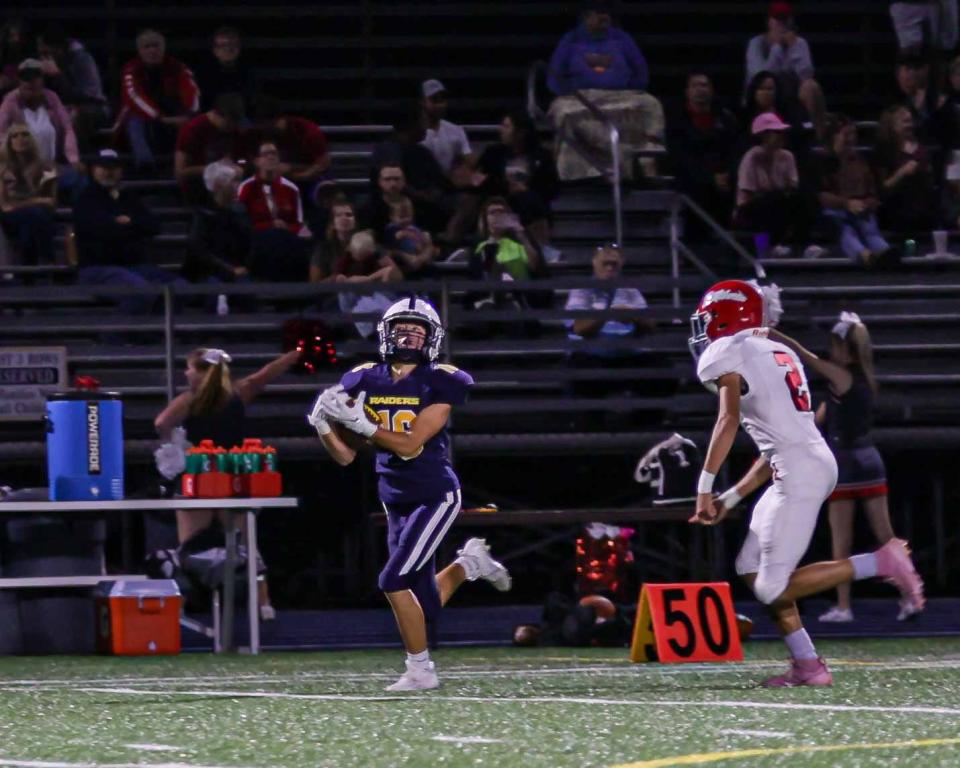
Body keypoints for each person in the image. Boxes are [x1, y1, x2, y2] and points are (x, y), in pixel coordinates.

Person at [687, 279, 925, 686]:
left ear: (726, 317)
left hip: (800, 470)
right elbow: (774, 444)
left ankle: (881, 561)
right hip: (800, 463)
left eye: (708, 319)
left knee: (770, 588)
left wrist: (704, 488)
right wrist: (731, 497)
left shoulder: (727, 352)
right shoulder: (778, 352)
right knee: (750, 567)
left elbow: (727, 420)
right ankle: (807, 664)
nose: (703, 329)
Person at [308, 297, 512, 690]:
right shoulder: (365, 377)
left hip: (435, 494)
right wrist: (323, 426)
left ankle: (420, 671)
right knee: (425, 603)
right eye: (402, 329)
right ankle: (470, 563)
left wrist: (365, 427)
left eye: (417, 331)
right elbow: (346, 458)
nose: (409, 337)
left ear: (431, 339)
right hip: (394, 496)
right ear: (386, 333)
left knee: (392, 581)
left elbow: (411, 444)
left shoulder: (443, 379)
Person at [769, 313, 914, 623]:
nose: (830, 351)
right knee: (886, 537)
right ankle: (910, 595)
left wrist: (775, 335)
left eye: (835, 346)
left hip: (845, 464)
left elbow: (805, 357)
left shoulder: (840, 374)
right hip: (869, 460)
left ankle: (845, 607)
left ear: (847, 351)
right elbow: (819, 418)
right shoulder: (857, 379)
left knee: (842, 540)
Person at [155, 346, 303, 620]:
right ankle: (264, 603)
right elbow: (264, 375)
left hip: (198, 476)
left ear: (200, 372)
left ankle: (185, 601)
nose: (186, 373)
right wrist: (293, 355)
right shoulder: (238, 393)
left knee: (190, 547)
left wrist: (174, 444)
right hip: (233, 475)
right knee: (245, 544)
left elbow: (161, 422)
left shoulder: (190, 400)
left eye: (189, 368)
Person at [546, 0, 664, 180]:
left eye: (607, 13)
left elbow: (640, 71)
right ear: (586, 17)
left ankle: (645, 164)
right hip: (582, 97)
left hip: (619, 95)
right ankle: (577, 174)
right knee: (564, 113)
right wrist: (569, 93)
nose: (604, 17)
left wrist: (629, 90)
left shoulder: (622, 38)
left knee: (651, 105)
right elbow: (554, 76)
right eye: (598, 13)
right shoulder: (570, 40)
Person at [73, 148, 182, 314]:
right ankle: (112, 337)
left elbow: (153, 226)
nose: (109, 172)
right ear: (94, 170)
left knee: (181, 289)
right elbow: (99, 229)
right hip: (97, 269)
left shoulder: (128, 197)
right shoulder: (85, 199)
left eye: (114, 168)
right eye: (104, 168)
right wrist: (126, 226)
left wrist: (129, 222)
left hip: (133, 266)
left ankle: (153, 336)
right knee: (140, 292)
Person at [811, 115, 890, 266]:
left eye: (854, 134)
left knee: (869, 229)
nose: (851, 139)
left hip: (861, 210)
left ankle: (884, 251)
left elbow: (872, 191)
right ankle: (864, 255)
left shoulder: (862, 162)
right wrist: (847, 203)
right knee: (846, 230)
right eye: (847, 134)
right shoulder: (822, 162)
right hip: (834, 212)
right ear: (834, 136)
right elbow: (821, 195)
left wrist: (868, 202)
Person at [667, 72, 739, 231]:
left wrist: (728, 175)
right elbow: (679, 158)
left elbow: (734, 152)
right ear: (687, 92)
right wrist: (710, 178)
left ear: (712, 90)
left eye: (704, 85)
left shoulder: (726, 119)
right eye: (695, 85)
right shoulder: (676, 122)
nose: (700, 89)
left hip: (724, 187)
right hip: (692, 189)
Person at [477, 110, 559, 248]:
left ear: (521, 132)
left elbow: (553, 188)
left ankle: (540, 248)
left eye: (506, 126)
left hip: (531, 203)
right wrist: (507, 187)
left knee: (528, 199)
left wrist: (527, 190)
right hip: (501, 200)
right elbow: (482, 179)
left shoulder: (542, 156)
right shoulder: (493, 153)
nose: (501, 130)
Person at [120, 29, 200, 168]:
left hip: (173, 112)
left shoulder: (177, 66)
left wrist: (188, 115)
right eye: (147, 46)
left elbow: (192, 92)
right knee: (134, 120)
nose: (152, 50)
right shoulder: (131, 69)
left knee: (194, 121)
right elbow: (135, 97)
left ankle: (190, 161)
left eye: (156, 45)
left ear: (163, 47)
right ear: (139, 50)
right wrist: (159, 117)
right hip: (145, 115)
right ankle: (146, 164)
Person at [744, 2, 825, 138]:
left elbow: (806, 75)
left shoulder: (799, 43)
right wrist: (777, 48)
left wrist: (794, 49)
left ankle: (819, 138)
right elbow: (761, 77)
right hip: (765, 95)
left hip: (791, 97)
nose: (782, 25)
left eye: (785, 20)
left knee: (811, 86)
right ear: (769, 22)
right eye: (777, 20)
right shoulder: (756, 43)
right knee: (766, 88)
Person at [237, 140, 311, 281]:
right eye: (266, 154)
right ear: (257, 161)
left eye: (274, 154)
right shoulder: (246, 188)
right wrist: (270, 226)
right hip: (258, 241)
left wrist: (286, 228)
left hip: (287, 240)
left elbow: (298, 224)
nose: (271, 157)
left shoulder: (291, 189)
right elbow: (242, 224)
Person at [0, 60, 81, 183]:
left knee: (79, 178)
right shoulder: (10, 102)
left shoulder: (52, 98)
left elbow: (67, 128)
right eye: (25, 78)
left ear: (42, 79)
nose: (30, 82)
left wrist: (73, 159)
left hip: (51, 166)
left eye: (35, 77)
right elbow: (1, 134)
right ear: (19, 80)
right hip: (22, 168)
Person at [733, 113, 803, 250]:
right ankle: (765, 247)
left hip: (778, 204)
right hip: (749, 211)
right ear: (763, 136)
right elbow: (747, 196)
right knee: (772, 201)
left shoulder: (787, 156)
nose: (781, 135)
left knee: (803, 199)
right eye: (776, 132)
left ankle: (802, 247)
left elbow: (792, 187)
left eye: (781, 132)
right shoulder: (751, 158)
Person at [36, 25, 109, 151]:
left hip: (92, 108)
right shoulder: (44, 62)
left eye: (46, 52)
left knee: (72, 117)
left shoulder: (82, 59)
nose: (43, 55)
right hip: (60, 107)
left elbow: (89, 96)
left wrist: (57, 75)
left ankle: (73, 161)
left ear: (58, 49)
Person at [181, 160, 252, 285]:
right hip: (206, 274)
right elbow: (200, 252)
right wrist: (230, 270)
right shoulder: (202, 215)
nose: (238, 186)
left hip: (233, 271)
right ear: (219, 186)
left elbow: (246, 244)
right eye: (233, 181)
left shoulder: (236, 214)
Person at [875, 104, 938, 233]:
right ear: (892, 126)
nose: (910, 125)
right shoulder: (884, 151)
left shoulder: (920, 147)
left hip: (923, 209)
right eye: (905, 121)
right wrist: (902, 172)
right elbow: (882, 188)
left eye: (911, 121)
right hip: (897, 210)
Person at [175, 93, 247, 204]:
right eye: (228, 124)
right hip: (198, 185)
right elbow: (180, 172)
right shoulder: (193, 129)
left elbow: (242, 159)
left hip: (230, 182)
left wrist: (239, 166)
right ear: (217, 114)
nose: (231, 128)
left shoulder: (234, 131)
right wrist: (212, 169)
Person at [0, 123, 56, 266]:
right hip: (8, 217)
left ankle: (27, 272)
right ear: (9, 141)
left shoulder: (47, 167)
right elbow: (6, 206)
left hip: (36, 217)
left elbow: (51, 202)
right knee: (34, 214)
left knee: (31, 223)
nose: (20, 139)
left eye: (25, 135)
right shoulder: (2, 168)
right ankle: (48, 261)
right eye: (15, 136)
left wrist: (35, 199)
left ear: (32, 139)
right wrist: (37, 200)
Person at [195, 27, 257, 112]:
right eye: (223, 45)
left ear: (239, 48)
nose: (228, 49)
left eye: (233, 45)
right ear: (215, 50)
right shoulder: (203, 75)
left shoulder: (248, 73)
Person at [384, 195, 434, 279]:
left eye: (408, 216)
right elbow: (391, 247)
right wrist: (404, 235)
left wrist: (423, 241)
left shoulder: (414, 228)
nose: (406, 220)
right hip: (402, 262)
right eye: (401, 217)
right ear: (392, 217)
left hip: (418, 258)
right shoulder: (391, 228)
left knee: (427, 239)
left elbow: (421, 241)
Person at [310, 196, 356, 282]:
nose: (344, 218)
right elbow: (314, 285)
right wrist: (334, 279)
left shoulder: (367, 243)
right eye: (339, 215)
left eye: (349, 215)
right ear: (333, 223)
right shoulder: (323, 249)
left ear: (355, 221)